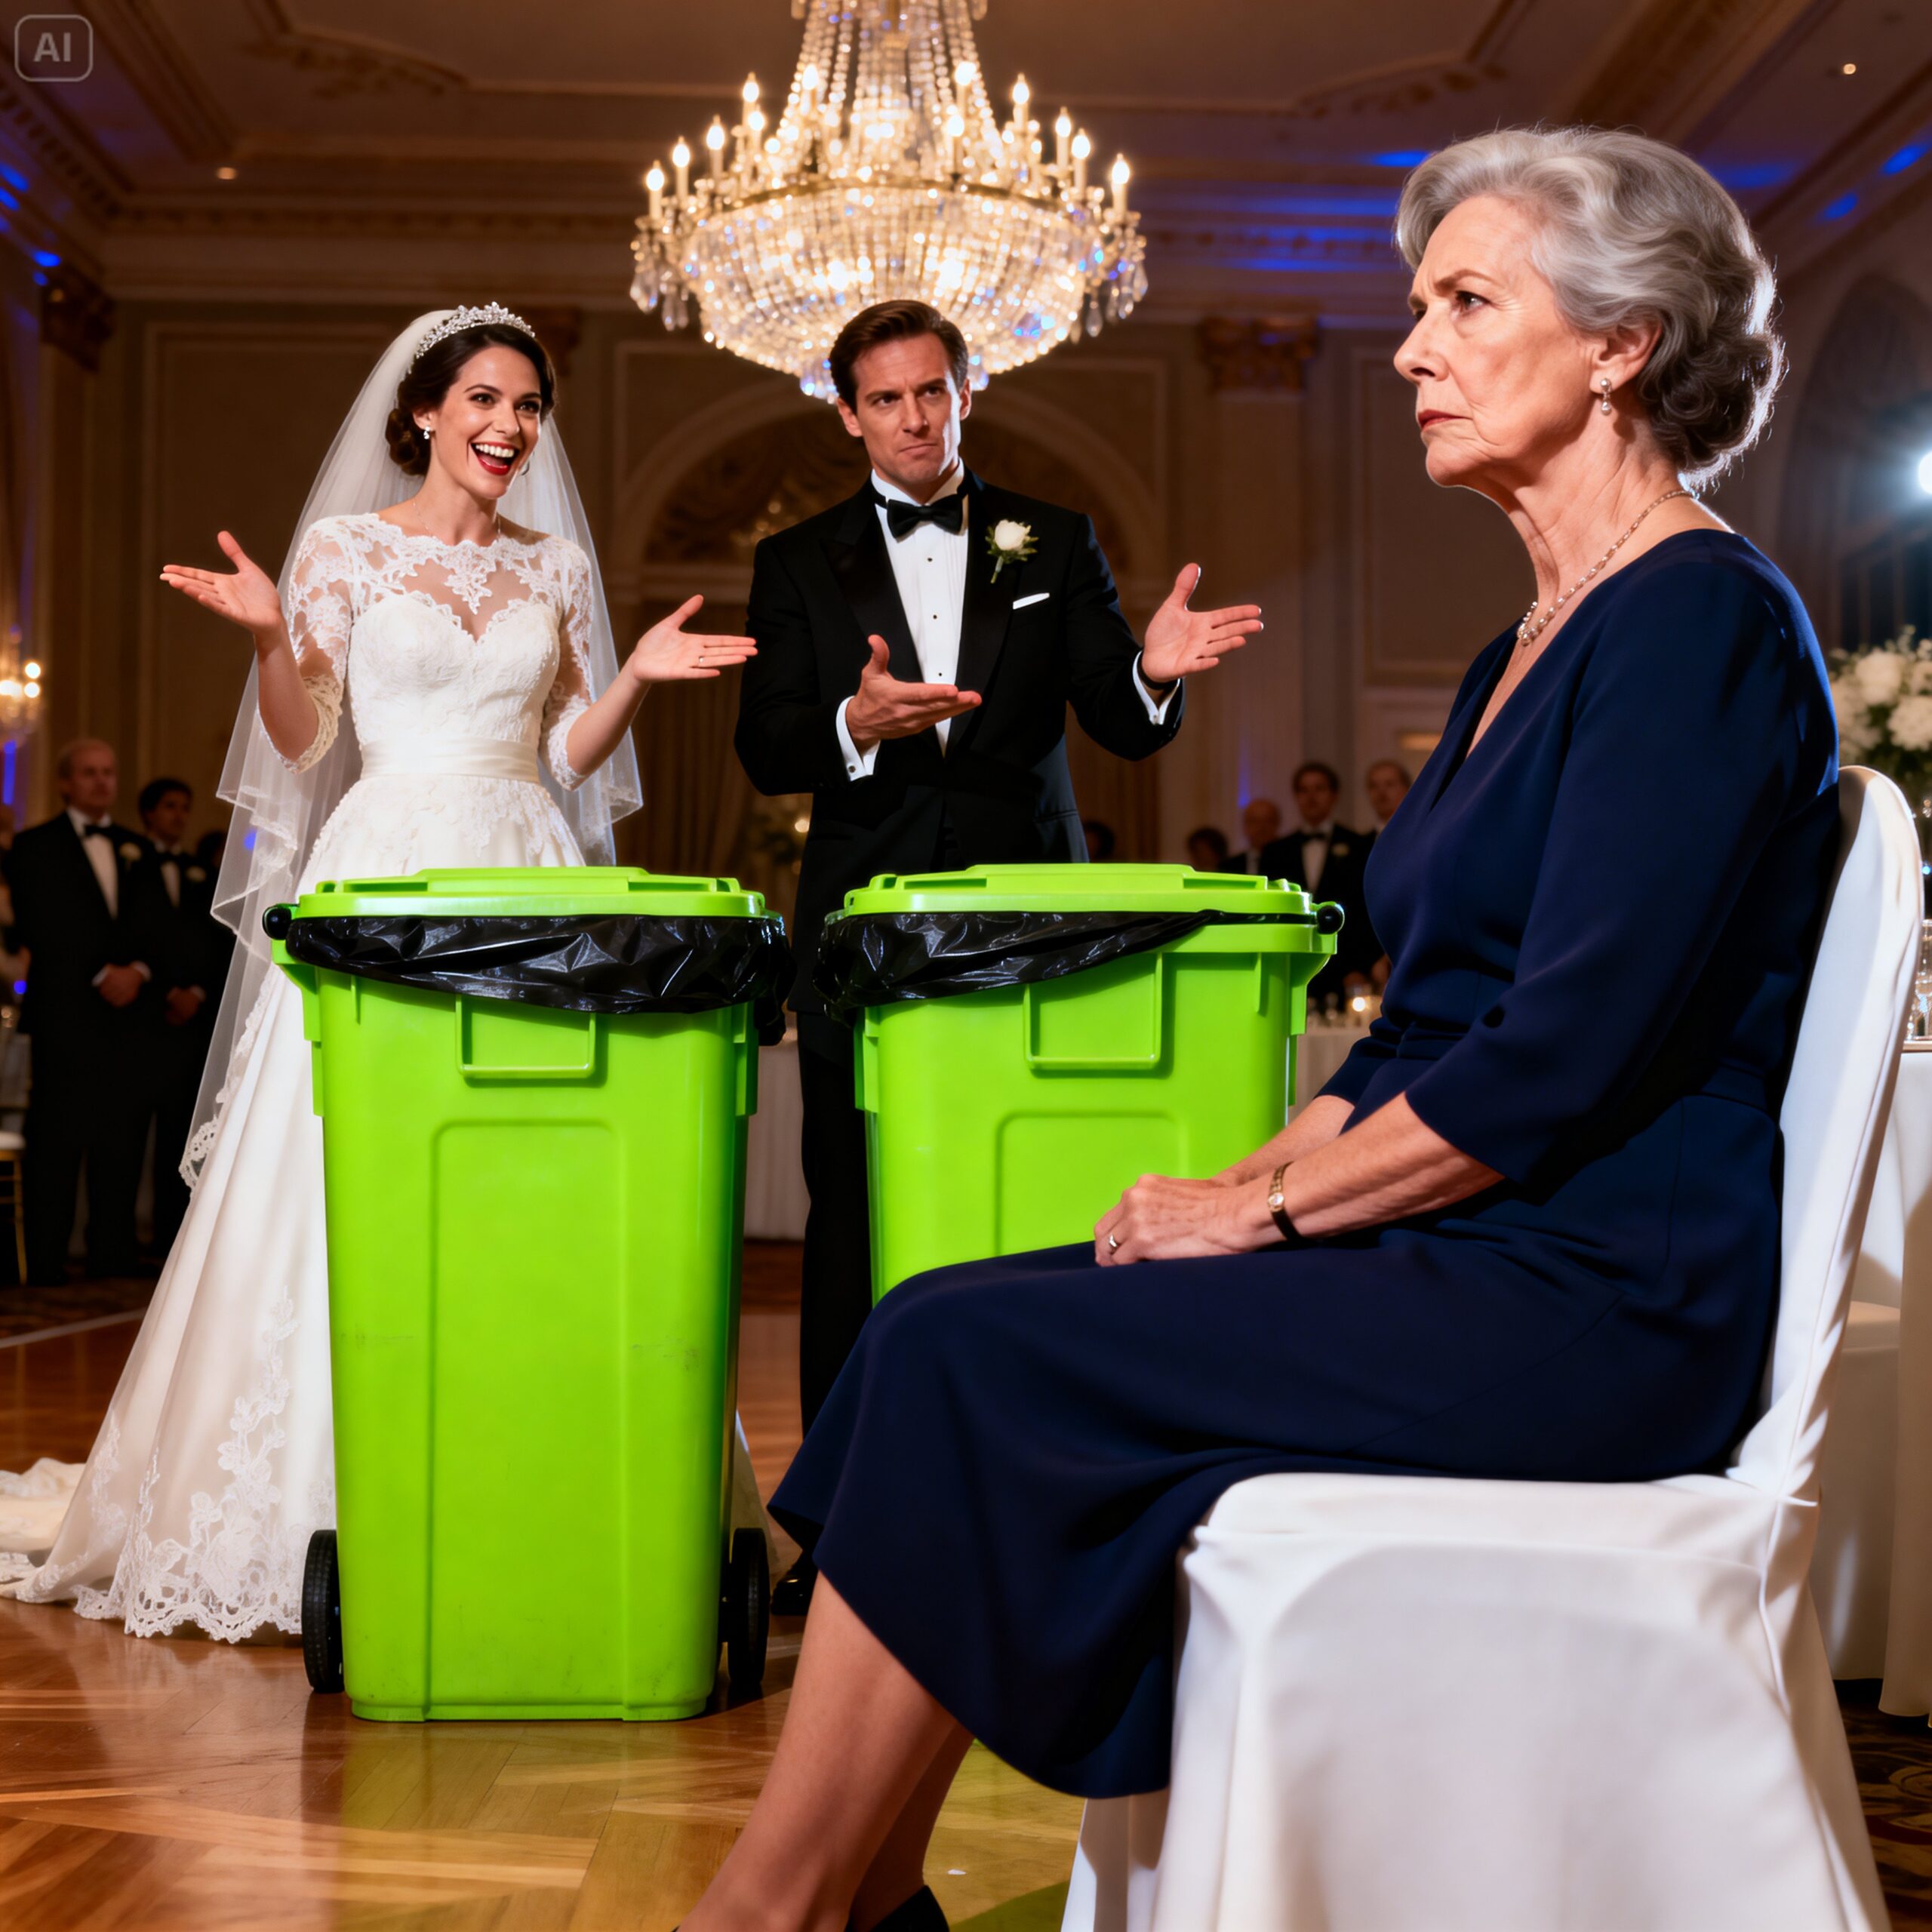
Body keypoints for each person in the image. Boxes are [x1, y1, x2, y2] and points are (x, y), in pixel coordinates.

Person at [685, 125, 1818, 1932]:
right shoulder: (1528, 634)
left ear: (1620, 344)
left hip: (1594, 1289)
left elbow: (1557, 1055)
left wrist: (1257, 1216)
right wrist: (1244, 1169)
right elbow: (1409, 1044)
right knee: (922, 1323)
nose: (1408, 347)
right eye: (1412, 304)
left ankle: (769, 1908)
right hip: (1479, 1235)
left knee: (975, 1354)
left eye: (1463, 301)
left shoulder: (1700, 622)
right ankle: (854, 1892)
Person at [0, 305, 771, 1636]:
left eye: (528, 407)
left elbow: (564, 761)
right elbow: (305, 742)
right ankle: (312, 1498)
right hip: (387, 867)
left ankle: (540, 1472)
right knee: (340, 1158)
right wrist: (261, 639)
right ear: (423, 414)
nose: (508, 427)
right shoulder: (344, 550)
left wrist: (634, 675)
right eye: (484, 398)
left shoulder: (558, 572)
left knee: (531, 1161)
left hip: (526, 870)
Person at [735, 299, 1263, 1609]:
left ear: (968, 393)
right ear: (847, 413)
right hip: (866, 936)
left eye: (936, 392)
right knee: (857, 1213)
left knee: (1033, 1202)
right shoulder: (798, 561)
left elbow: (1123, 727)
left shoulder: (1054, 537)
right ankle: (845, 1527)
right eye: (889, 399)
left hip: (1029, 930)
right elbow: (766, 742)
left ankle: (1044, 1504)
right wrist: (855, 722)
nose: (916, 419)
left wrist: (1152, 671)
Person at [5, 740, 170, 1283]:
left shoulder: (135, 848)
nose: (102, 782)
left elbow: (155, 924)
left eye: (109, 772)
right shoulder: (32, 847)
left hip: (128, 1025)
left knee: (120, 1144)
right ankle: (46, 1262)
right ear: (65, 783)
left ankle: (113, 1258)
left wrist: (140, 970)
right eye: (90, 773)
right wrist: (101, 972)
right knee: (57, 1141)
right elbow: (41, 923)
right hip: (65, 1017)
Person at [137, 776, 226, 1254]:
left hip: (192, 1024)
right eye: (169, 806)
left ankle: (173, 1239)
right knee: (130, 1135)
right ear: (149, 812)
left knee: (181, 1130)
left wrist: (194, 990)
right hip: (140, 1020)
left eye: (184, 807)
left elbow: (214, 944)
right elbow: (131, 936)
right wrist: (166, 990)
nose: (178, 815)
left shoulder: (200, 874)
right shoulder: (131, 864)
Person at [1260, 760, 1379, 985]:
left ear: (1334, 795)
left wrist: (1360, 966)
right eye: (1304, 790)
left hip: (1347, 971)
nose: (1311, 797)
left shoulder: (1360, 846)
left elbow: (1365, 912)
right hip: (1290, 965)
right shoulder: (1275, 852)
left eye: (1319, 789)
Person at [1225, 795, 1282, 872]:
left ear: (1277, 824)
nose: (1261, 827)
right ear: (1245, 825)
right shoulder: (1229, 866)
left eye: (1267, 821)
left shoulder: (1289, 862)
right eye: (1254, 821)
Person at [1364, 756, 1412, 832]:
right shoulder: (1360, 843)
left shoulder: (1420, 837)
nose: (1381, 792)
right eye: (1374, 786)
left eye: (1389, 784)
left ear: (1406, 789)